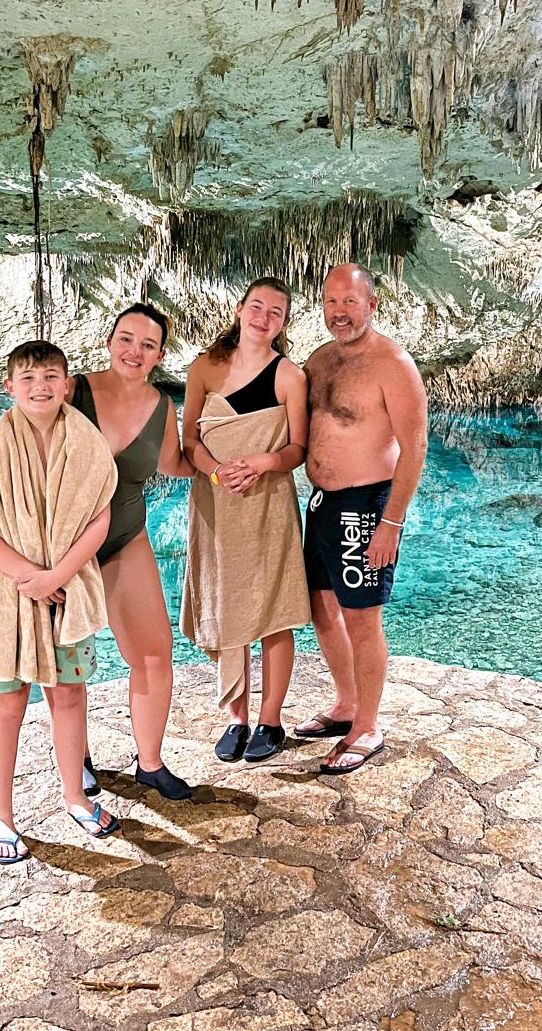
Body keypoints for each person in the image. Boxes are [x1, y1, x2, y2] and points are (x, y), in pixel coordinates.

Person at [0, 340, 120, 864]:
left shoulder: (87, 442)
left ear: (67, 385)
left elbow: (99, 516)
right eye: (27, 378)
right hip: (8, 595)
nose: (39, 387)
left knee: (69, 696)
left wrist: (60, 575)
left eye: (50, 376)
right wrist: (30, 575)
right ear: (9, 387)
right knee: (7, 704)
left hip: (67, 591)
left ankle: (74, 796)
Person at [295, 264, 428, 775]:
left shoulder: (392, 364)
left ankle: (368, 725)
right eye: (330, 302)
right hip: (322, 504)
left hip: (364, 505)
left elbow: (414, 446)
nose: (338, 313)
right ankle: (347, 702)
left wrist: (390, 523)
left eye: (349, 302)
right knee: (321, 606)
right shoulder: (320, 360)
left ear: (372, 305)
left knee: (362, 617)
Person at [180, 277, 310, 763]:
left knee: (275, 610)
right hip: (216, 505)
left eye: (276, 312)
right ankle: (236, 717)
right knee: (226, 603)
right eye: (257, 306)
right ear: (239, 309)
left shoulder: (289, 377)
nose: (264, 317)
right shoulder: (204, 368)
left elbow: (297, 448)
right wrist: (216, 472)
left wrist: (260, 463)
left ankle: (270, 720)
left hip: (268, 504)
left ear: (283, 323)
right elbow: (189, 441)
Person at [70, 303, 195, 801]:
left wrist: (225, 464)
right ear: (110, 341)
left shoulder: (163, 408)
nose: (134, 351)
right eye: (126, 339)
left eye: (147, 345)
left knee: (153, 653)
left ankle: (150, 762)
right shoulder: (71, 390)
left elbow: (176, 464)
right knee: (70, 662)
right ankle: (74, 758)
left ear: (160, 355)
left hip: (126, 536)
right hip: (65, 548)